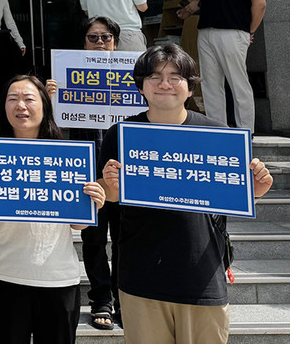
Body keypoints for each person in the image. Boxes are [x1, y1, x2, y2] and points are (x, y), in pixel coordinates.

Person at [99, 44, 273, 343]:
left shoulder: (217, 135)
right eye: (154, 76)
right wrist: (109, 187)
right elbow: (108, 197)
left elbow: (231, 195)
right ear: (141, 85)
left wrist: (254, 190)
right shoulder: (121, 133)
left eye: (175, 76)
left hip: (201, 276)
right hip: (142, 278)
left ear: (190, 88)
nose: (164, 84)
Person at [0, 75, 105, 344]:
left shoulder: (68, 156)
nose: (21, 106)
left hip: (58, 279)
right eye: (12, 99)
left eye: (29, 98)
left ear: (44, 105)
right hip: (4, 277)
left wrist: (93, 206)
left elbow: (78, 225)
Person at [46, 16, 123, 330]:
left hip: (126, 170)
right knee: (93, 239)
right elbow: (52, 131)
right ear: (83, 43)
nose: (100, 43)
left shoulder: (134, 78)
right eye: (93, 38)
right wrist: (49, 99)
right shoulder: (69, 78)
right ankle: (101, 299)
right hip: (88, 171)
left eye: (106, 37)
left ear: (116, 43)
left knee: (124, 238)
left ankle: (123, 297)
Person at [180, 0, 265, 132]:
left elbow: (259, 3)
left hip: (233, 31)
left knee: (237, 81)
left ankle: (246, 129)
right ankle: (217, 127)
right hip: (206, 31)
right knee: (210, 82)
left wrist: (249, 31)